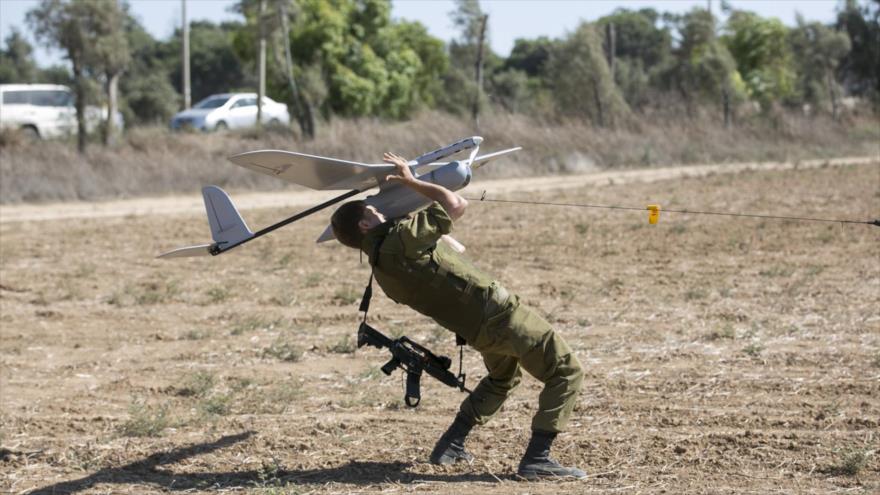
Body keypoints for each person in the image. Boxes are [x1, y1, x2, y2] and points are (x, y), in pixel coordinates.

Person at [331, 152, 586, 481]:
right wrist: (411, 182)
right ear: (366, 224)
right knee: (566, 372)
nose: (382, 210)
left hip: (478, 330)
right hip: (500, 316)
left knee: (502, 379)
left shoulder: (382, 268)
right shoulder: (400, 242)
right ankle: (538, 459)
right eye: (374, 210)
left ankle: (451, 444)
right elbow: (455, 204)